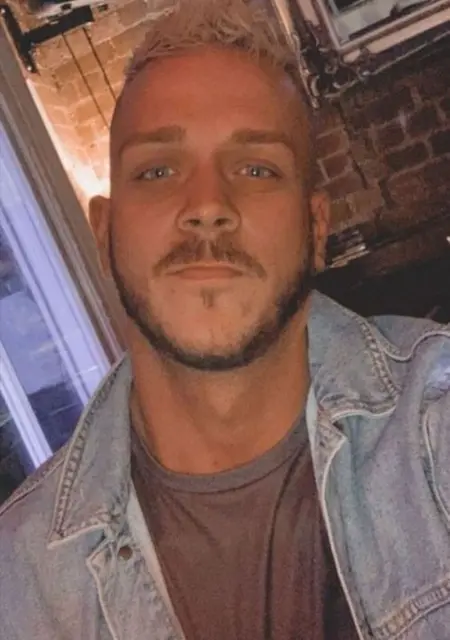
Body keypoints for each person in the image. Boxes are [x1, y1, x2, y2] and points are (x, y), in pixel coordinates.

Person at [0, 1, 449, 638]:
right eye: (158, 170)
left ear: (315, 228)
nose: (208, 205)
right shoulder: (18, 585)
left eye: (256, 169)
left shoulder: (435, 428)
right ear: (104, 234)